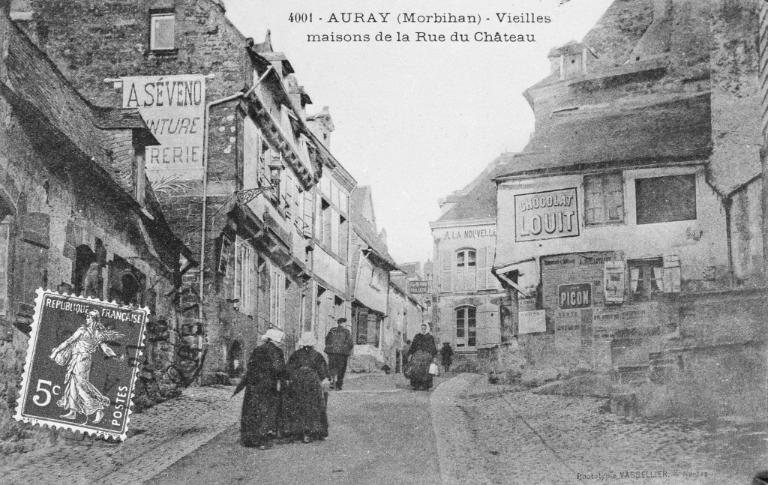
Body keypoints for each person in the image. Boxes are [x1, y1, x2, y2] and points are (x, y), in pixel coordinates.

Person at [50, 309, 123, 424]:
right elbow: (105, 349)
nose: (86, 319)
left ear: (93, 320)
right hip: (78, 359)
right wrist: (115, 356)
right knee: (73, 382)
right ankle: (73, 411)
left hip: (82, 360)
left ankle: (98, 408)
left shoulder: (86, 332)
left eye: (89, 317)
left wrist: (56, 352)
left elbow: (69, 341)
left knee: (80, 384)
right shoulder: (96, 333)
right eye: (87, 317)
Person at [233, 328, 287, 449]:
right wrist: (282, 379)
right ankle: (261, 440)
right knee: (266, 411)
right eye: (281, 340)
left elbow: (250, 365)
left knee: (252, 409)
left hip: (253, 383)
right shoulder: (277, 351)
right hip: (268, 384)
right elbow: (278, 368)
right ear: (275, 339)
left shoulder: (258, 349)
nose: (282, 342)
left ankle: (248, 439)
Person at [285, 333, 330, 443]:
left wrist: (289, 379)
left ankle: (297, 431)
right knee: (312, 406)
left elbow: (288, 370)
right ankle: (310, 433)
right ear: (312, 344)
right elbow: (323, 371)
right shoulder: (317, 355)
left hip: (298, 382)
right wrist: (324, 379)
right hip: (312, 382)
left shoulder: (295, 354)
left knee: (298, 405)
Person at [324, 317, 353, 390]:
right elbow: (350, 343)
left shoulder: (332, 330)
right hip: (342, 353)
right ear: (343, 323)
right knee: (341, 369)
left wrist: (330, 349)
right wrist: (348, 350)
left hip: (332, 352)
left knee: (332, 367)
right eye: (345, 323)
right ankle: (338, 385)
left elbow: (327, 340)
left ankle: (332, 381)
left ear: (338, 323)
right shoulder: (346, 331)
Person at [407, 323, 437, 390]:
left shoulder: (430, 337)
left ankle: (426, 386)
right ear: (420, 329)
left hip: (427, 356)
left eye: (424, 329)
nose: (423, 330)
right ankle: (416, 385)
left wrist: (434, 356)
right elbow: (413, 346)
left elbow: (433, 347)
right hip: (417, 355)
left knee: (426, 370)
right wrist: (410, 354)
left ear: (427, 329)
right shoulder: (417, 336)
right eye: (422, 328)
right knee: (416, 370)